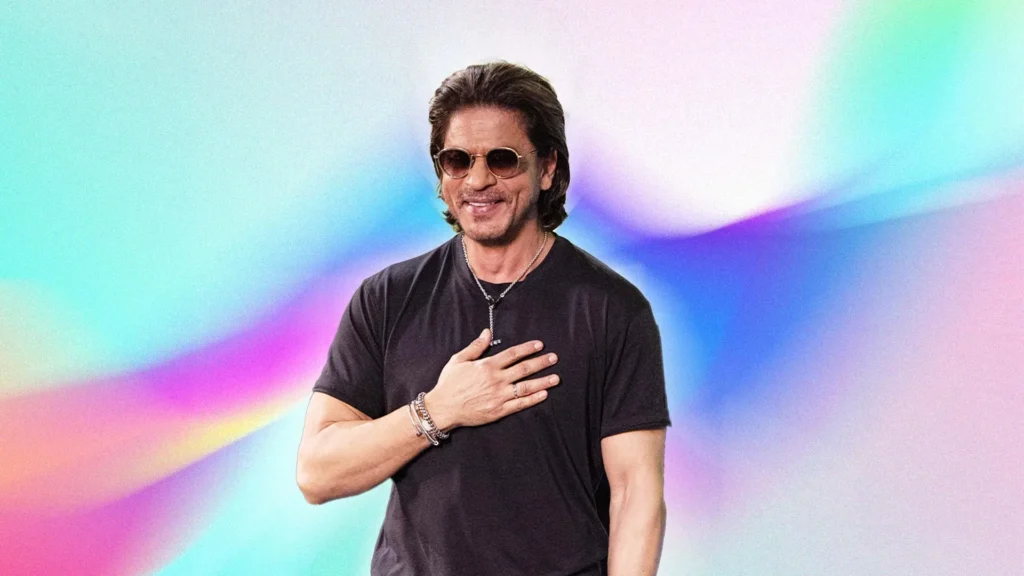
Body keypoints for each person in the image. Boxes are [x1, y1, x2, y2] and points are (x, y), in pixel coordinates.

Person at [296, 61, 671, 576]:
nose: (477, 180)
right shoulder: (386, 299)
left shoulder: (612, 310)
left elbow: (636, 493)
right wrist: (438, 411)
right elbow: (317, 472)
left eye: (502, 159)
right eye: (457, 160)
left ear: (548, 168)